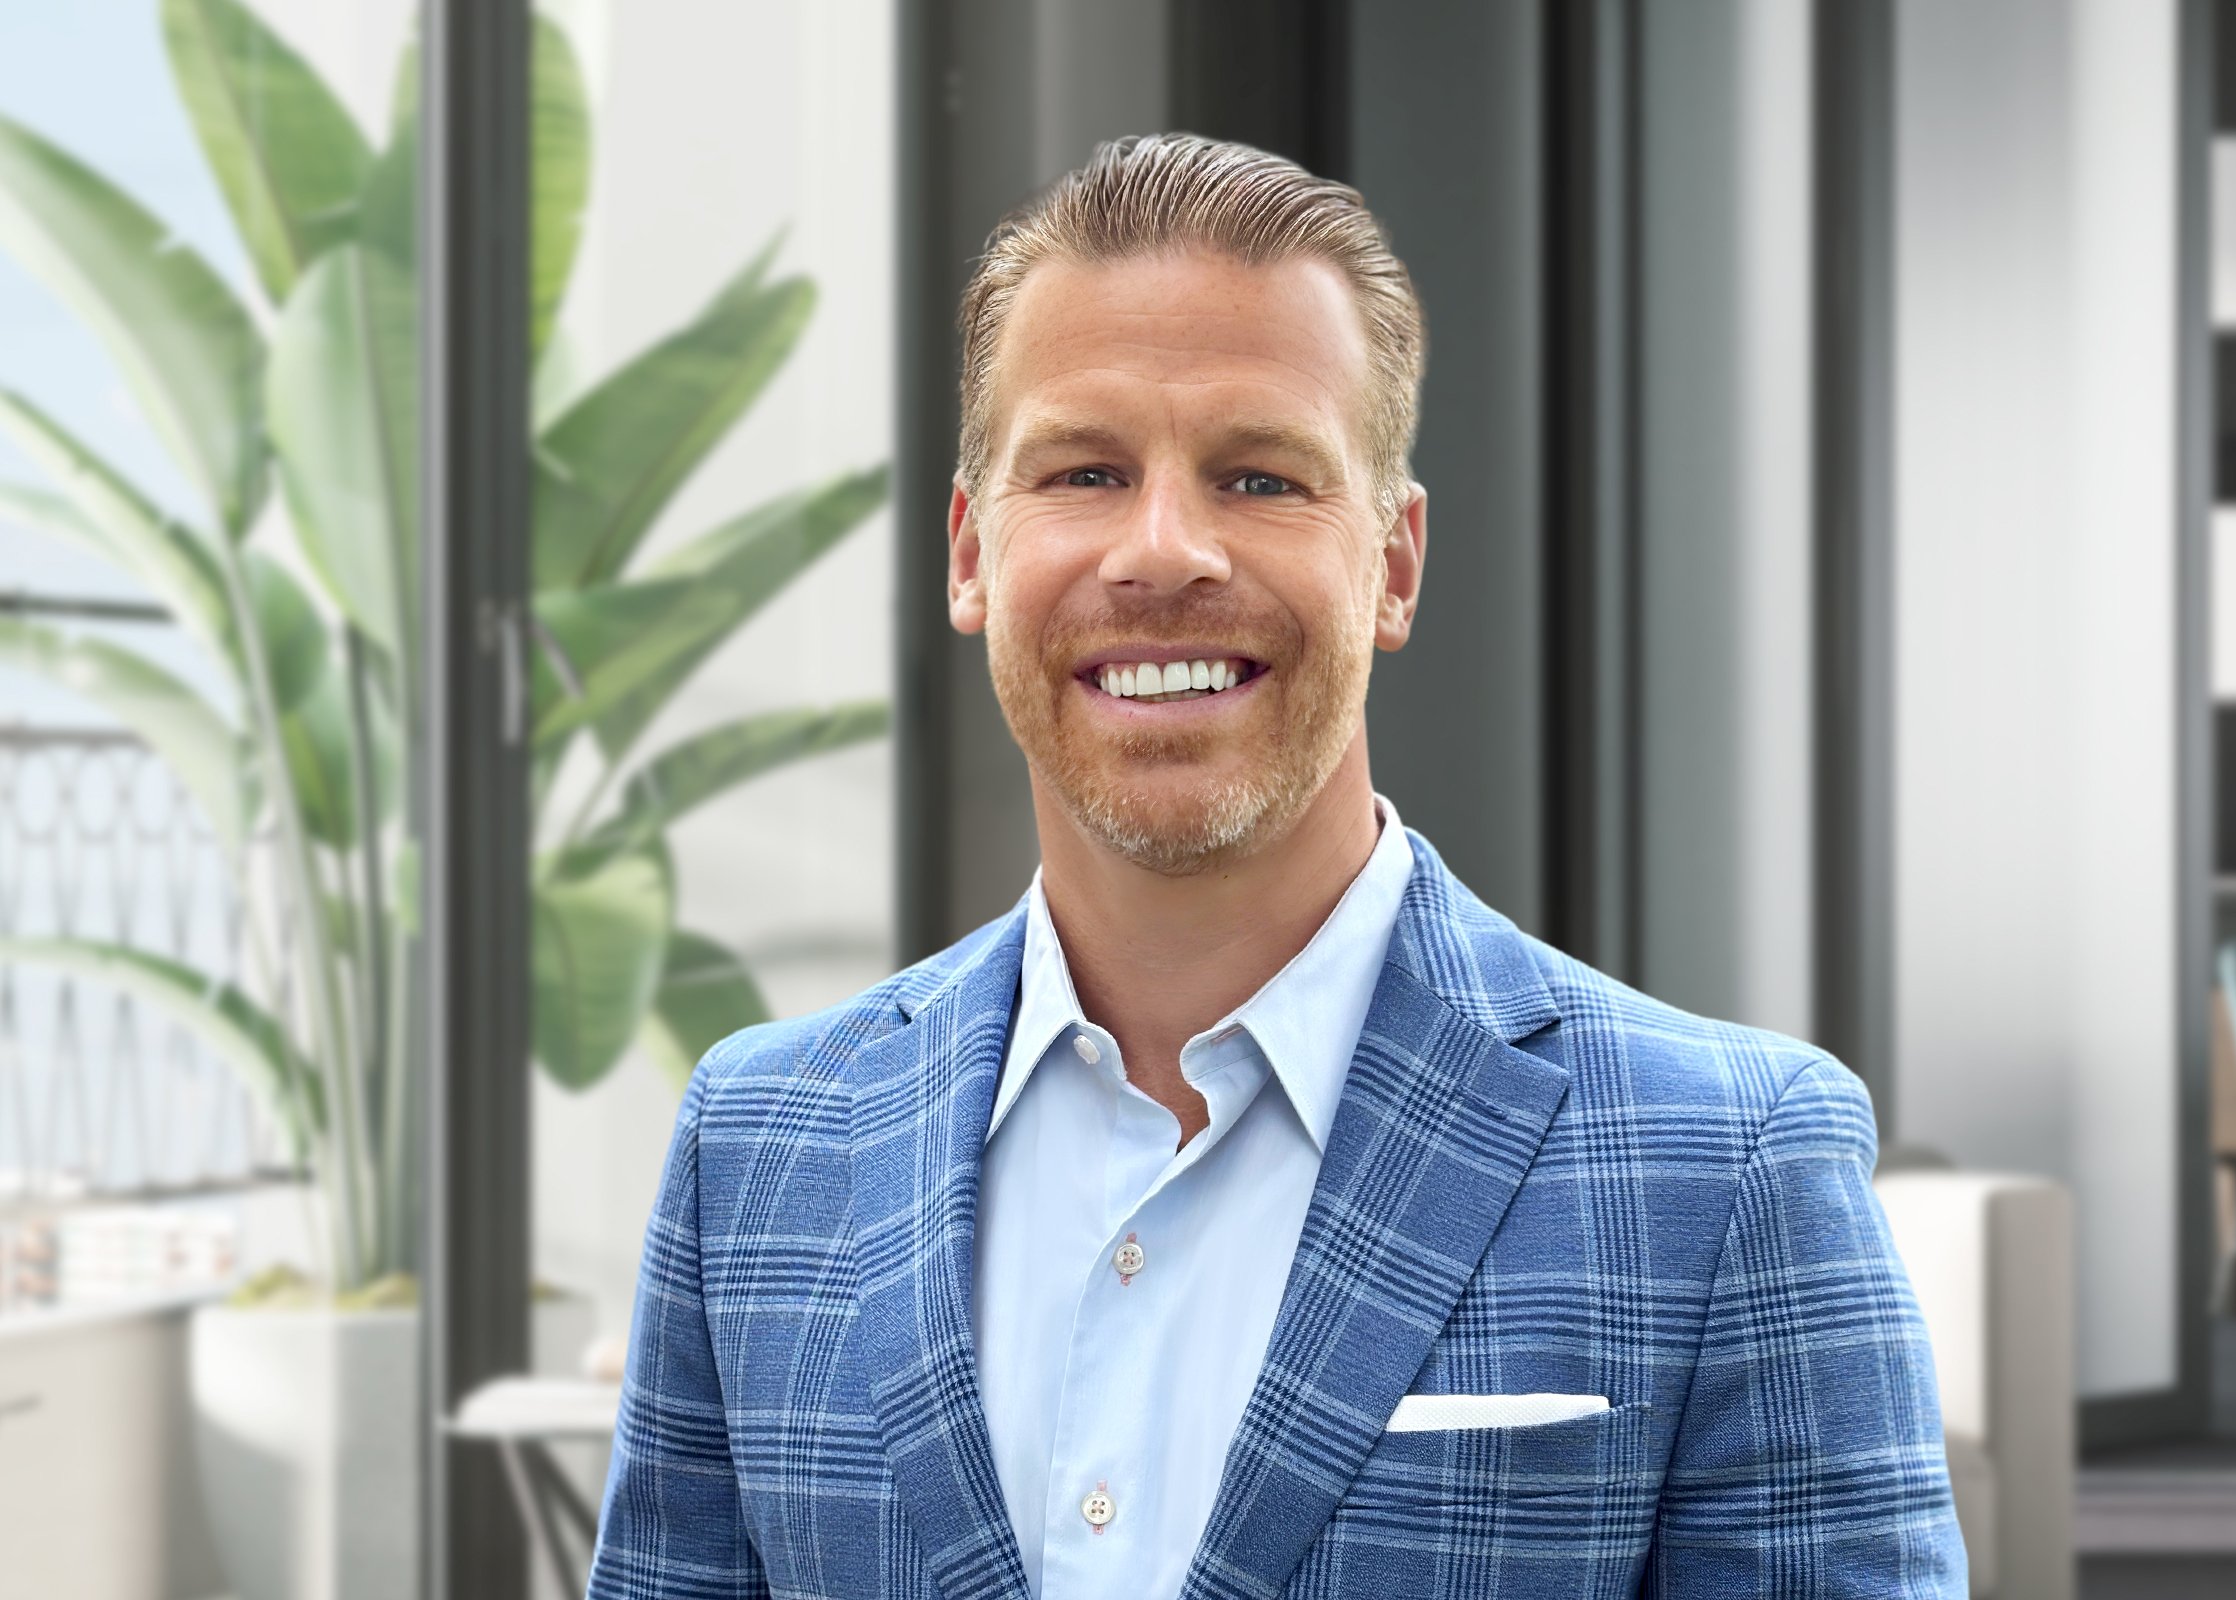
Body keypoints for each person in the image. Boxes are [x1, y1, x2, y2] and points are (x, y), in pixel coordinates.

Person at [588, 133, 1967, 1600]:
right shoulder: (758, 1149)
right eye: (1085, 471)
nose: (1164, 551)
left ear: (1395, 563)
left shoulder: (1727, 1164)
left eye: (1257, 477)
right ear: (970, 551)